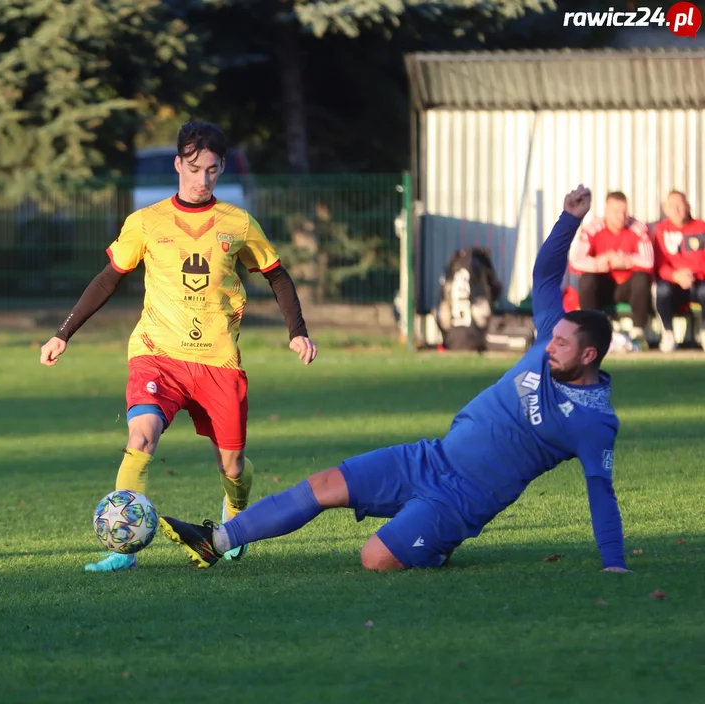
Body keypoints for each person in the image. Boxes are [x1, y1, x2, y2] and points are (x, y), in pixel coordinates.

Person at [160, 185, 629, 574]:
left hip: (460, 501)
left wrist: (613, 565)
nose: (551, 345)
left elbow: (600, 492)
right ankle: (215, 541)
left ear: (589, 355)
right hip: (430, 457)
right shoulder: (551, 334)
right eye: (555, 337)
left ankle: (435, 544)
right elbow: (545, 276)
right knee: (324, 484)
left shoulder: (593, 420)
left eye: (564, 345)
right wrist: (569, 219)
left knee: (375, 559)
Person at [39, 121, 318, 573]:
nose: (202, 178)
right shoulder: (146, 222)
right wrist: (63, 332)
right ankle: (122, 549)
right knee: (141, 435)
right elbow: (109, 277)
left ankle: (236, 518)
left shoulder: (238, 223)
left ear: (221, 168)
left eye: (211, 170)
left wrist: (297, 331)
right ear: (177, 165)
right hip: (157, 354)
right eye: (193, 168)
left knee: (232, 464)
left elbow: (276, 274)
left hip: (218, 361)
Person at [566, 191, 654, 349]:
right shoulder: (592, 228)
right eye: (616, 212)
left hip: (628, 288)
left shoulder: (638, 228)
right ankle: (590, 334)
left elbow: (649, 262)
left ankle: (638, 335)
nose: (621, 216)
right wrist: (602, 262)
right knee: (586, 280)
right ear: (606, 211)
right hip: (603, 286)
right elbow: (575, 262)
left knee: (642, 278)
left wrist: (626, 260)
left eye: (624, 211)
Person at [650, 190, 705, 353]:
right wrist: (675, 275)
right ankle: (668, 334)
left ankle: (703, 332)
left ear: (687, 206)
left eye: (680, 205)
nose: (677, 209)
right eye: (672, 206)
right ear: (665, 209)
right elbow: (659, 264)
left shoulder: (701, 227)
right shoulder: (660, 230)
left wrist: (693, 274)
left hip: (698, 281)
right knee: (661, 290)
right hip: (673, 284)